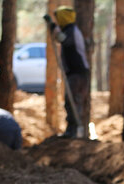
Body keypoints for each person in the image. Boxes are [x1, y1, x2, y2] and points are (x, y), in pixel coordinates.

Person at [46, 6, 90, 138]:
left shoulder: (71, 31)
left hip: (78, 73)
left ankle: (74, 130)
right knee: (71, 100)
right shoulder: (70, 30)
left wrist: (53, 27)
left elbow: (62, 39)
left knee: (72, 100)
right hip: (76, 72)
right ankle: (72, 129)